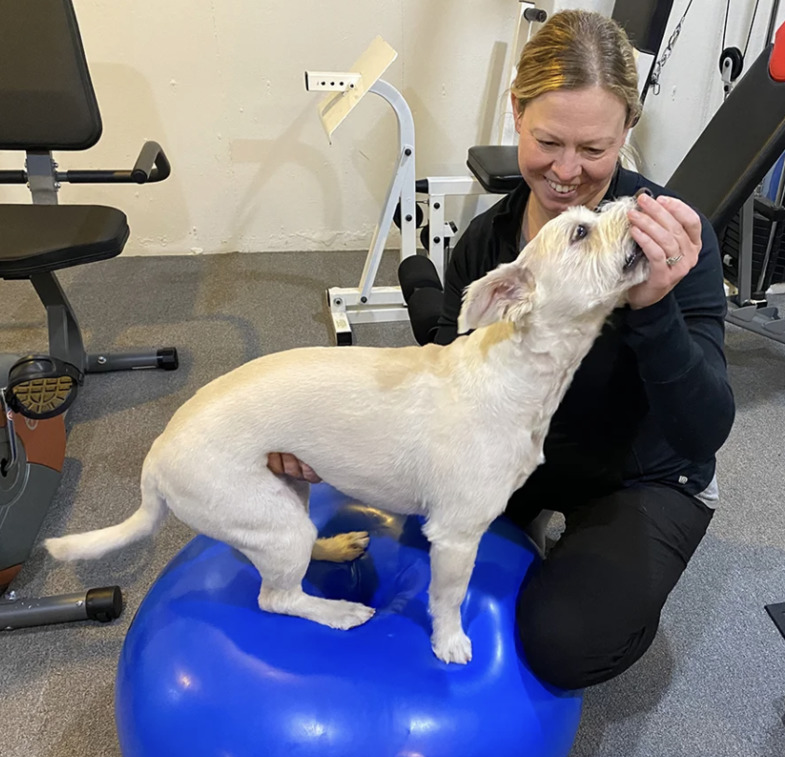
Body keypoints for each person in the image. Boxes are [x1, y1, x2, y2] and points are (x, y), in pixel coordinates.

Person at [271, 9, 734, 691]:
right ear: (516, 112)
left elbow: (702, 431)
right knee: (416, 534)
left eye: (594, 148)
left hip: (642, 472)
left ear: (627, 131)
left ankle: (590, 552)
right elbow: (442, 375)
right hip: (519, 454)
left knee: (567, 647)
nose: (567, 172)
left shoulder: (661, 243)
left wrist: (652, 305)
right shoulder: (490, 245)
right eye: (547, 141)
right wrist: (312, 431)